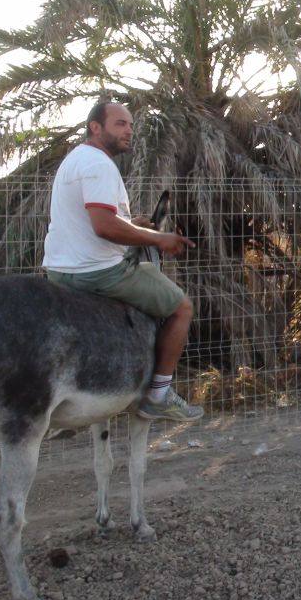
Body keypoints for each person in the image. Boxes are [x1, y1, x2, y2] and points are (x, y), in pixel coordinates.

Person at [42, 101, 204, 422]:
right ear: (95, 127)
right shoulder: (100, 165)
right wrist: (159, 238)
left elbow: (99, 218)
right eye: (120, 124)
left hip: (59, 270)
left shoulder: (75, 159)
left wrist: (135, 222)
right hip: (98, 272)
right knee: (181, 307)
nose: (129, 130)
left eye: (130, 125)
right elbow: (103, 226)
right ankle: (159, 394)